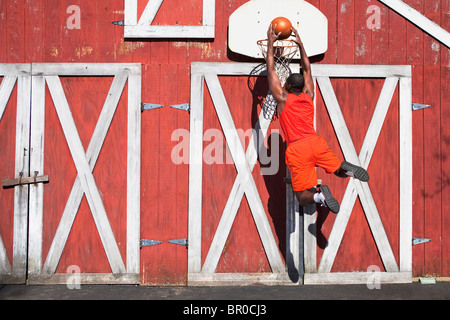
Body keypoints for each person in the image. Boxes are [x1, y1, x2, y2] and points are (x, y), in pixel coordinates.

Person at [266, 23, 369, 213]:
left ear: (287, 87)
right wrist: (300, 44)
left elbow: (271, 70)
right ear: (303, 86)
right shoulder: (309, 95)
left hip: (297, 149)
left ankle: (319, 196)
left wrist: (270, 43)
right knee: (337, 169)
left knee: (302, 196)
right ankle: (348, 170)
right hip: (315, 142)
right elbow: (307, 68)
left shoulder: (282, 97)